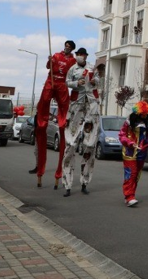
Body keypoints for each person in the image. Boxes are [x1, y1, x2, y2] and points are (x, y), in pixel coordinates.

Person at [32, 40, 77, 187]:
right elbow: (47, 67)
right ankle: (41, 121)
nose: (66, 48)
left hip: (62, 84)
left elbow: (73, 74)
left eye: (69, 47)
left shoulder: (73, 60)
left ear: (72, 49)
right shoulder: (56, 55)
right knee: (44, 101)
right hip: (51, 81)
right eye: (66, 45)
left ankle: (63, 121)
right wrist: (49, 61)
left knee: (64, 109)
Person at [61, 48, 101, 197]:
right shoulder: (72, 69)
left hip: (92, 106)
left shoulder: (92, 68)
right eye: (77, 54)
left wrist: (93, 80)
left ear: (85, 56)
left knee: (90, 145)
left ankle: (85, 181)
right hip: (76, 106)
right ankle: (67, 184)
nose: (79, 57)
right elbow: (67, 83)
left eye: (81, 55)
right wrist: (76, 82)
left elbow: (98, 81)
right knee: (70, 144)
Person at [119, 100, 148, 207]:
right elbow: (122, 135)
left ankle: (131, 195)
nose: (145, 115)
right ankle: (129, 196)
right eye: (143, 114)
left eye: (146, 114)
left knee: (137, 174)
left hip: (142, 151)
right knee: (130, 173)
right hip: (130, 152)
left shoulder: (147, 122)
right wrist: (130, 143)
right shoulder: (129, 121)